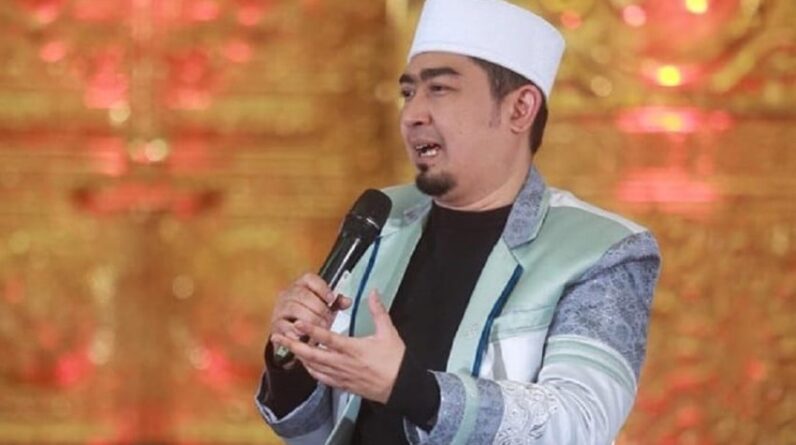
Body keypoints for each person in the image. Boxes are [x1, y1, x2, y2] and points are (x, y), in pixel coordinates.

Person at [255, 0, 661, 443]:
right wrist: (291, 361)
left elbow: (579, 425)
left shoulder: (600, 249)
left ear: (519, 109)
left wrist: (412, 390)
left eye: (440, 89)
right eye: (408, 93)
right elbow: (321, 430)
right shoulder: (383, 219)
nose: (412, 115)